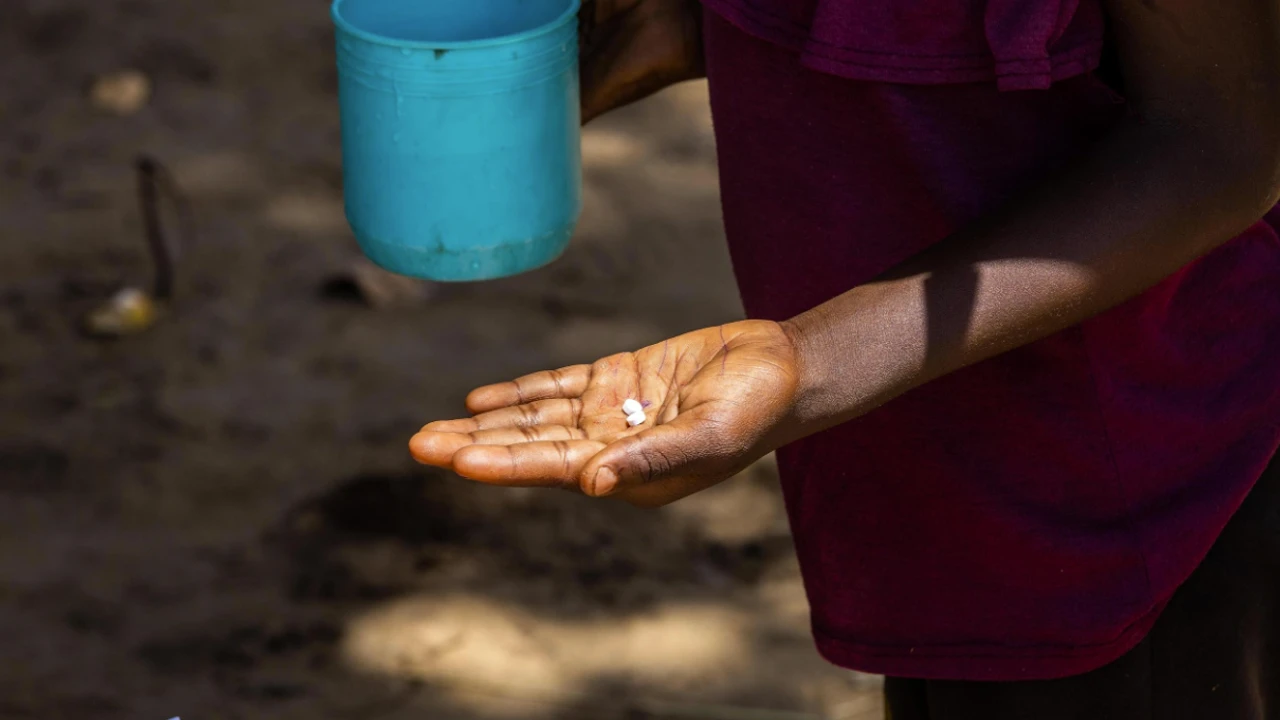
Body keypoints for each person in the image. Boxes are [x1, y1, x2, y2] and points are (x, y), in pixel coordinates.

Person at [411, 0, 1280, 716]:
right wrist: (686, 25)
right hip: (913, 477)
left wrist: (811, 360)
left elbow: (1224, 144)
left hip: (1127, 505)